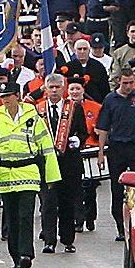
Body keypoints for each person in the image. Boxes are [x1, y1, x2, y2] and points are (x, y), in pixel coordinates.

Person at [0, 80, 60, 268]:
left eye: (8, 96)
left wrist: (51, 177)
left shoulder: (33, 118)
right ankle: (16, 256)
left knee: (25, 215)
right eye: (2, 97)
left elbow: (47, 148)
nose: (5, 100)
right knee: (12, 218)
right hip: (6, 175)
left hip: (28, 172)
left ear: (17, 96)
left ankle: (26, 253)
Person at [96, 72, 135, 241]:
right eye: (125, 83)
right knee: (117, 187)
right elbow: (103, 127)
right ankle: (120, 226)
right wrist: (101, 152)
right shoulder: (110, 99)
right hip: (117, 147)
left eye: (131, 83)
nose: (128, 86)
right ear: (119, 81)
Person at [38, 74, 88, 253]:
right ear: (45, 89)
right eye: (50, 87)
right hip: (48, 163)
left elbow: (83, 133)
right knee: (48, 203)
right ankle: (49, 240)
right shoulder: (39, 110)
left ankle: (67, 239)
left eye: (57, 87)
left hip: (69, 163)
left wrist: (77, 140)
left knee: (67, 203)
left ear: (63, 88)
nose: (54, 90)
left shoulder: (74, 108)